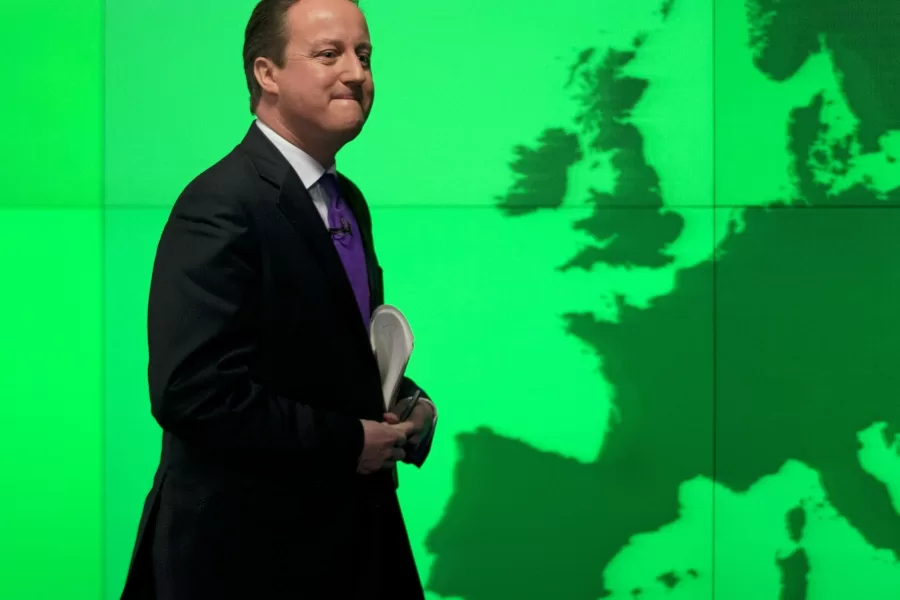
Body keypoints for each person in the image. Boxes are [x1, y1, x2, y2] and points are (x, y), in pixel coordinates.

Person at [119, 0, 437, 597]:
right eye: (329, 54)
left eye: (364, 55)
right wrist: (347, 441)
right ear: (266, 74)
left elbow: (329, 356)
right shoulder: (220, 203)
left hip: (348, 545)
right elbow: (192, 391)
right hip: (246, 558)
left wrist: (410, 406)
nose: (356, 73)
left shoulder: (347, 201)